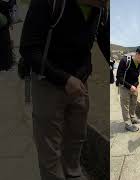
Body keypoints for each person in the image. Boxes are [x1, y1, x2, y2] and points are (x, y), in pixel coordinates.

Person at [19, 0, 110, 179]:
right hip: (48, 82)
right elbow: (29, 49)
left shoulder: (100, 10)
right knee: (49, 148)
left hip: (80, 84)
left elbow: (105, 42)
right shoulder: (50, 3)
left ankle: (72, 172)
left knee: (76, 136)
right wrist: (64, 79)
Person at [116, 46, 140, 132]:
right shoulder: (125, 61)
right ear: (137, 54)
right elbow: (119, 77)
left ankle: (132, 118)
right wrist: (130, 86)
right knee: (125, 105)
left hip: (135, 88)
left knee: (133, 103)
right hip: (124, 87)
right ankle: (127, 124)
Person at [0, 0, 15, 71]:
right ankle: (5, 64)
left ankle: (5, 64)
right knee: (5, 44)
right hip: (3, 26)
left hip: (4, 24)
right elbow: (8, 5)